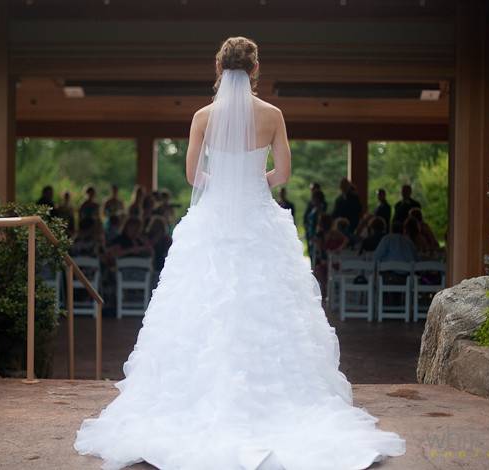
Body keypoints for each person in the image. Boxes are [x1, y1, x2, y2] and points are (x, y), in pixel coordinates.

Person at [74, 36, 405, 469]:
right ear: (255, 70)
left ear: (217, 68)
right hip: (258, 219)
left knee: (201, 305)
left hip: (211, 220)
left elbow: (193, 173)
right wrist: (252, 183)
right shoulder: (272, 115)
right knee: (270, 306)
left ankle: (194, 401)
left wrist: (225, 184)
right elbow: (284, 172)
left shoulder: (202, 117)